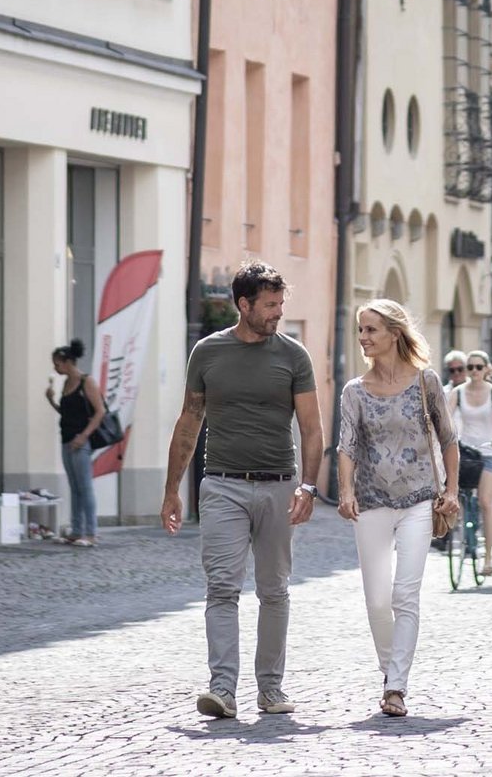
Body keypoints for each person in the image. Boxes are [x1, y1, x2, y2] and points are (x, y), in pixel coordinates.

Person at [161, 261, 323, 720]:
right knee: (221, 589)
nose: (277, 313)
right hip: (222, 485)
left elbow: (312, 428)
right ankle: (223, 688)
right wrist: (172, 489)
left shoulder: (294, 356)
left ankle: (270, 689)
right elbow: (190, 420)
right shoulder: (207, 353)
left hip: (278, 485)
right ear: (244, 304)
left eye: (280, 305)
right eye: (269, 305)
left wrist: (308, 486)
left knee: (274, 590)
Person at [336, 300, 458, 718]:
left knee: (405, 593)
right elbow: (347, 445)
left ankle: (396, 685)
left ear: (393, 333)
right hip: (371, 502)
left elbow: (448, 438)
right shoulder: (354, 391)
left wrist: (452, 490)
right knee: (375, 600)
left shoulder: (426, 382)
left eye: (370, 330)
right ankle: (390, 670)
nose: (363, 338)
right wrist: (346, 490)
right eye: (360, 330)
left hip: (419, 501)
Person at [448, 348, 492, 576]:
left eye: (478, 367)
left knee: (485, 501)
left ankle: (489, 558)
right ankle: (462, 534)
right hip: (466, 451)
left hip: (491, 450)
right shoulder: (458, 392)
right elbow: (446, 419)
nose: (473, 371)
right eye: (469, 367)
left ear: (486, 370)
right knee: (457, 496)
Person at [44, 339, 107, 547]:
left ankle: (90, 532)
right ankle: (76, 529)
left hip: (81, 442)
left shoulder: (86, 382)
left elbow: (100, 411)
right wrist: (52, 401)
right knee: (75, 487)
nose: (55, 368)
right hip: (66, 439)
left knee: (85, 487)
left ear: (68, 361)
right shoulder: (65, 384)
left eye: (57, 364)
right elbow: (67, 414)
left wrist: (84, 436)